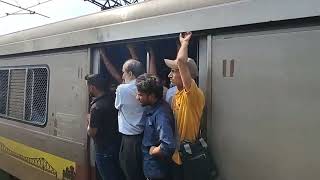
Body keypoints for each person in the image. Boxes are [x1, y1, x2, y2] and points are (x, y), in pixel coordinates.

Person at [164, 32, 205, 180]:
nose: (169, 75)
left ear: (184, 73)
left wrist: (184, 43)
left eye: (173, 71)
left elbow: (181, 61)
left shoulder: (194, 94)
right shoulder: (176, 95)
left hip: (187, 157)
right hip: (177, 156)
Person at [136, 73, 176, 180]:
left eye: (140, 95)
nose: (137, 97)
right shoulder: (152, 107)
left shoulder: (161, 115)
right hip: (151, 169)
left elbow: (168, 146)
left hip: (157, 172)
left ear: (152, 95)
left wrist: (153, 150)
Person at [86, 74, 122, 180]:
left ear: (92, 87)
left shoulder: (96, 107)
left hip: (103, 149)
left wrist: (88, 122)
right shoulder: (113, 98)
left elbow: (92, 132)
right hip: (116, 145)